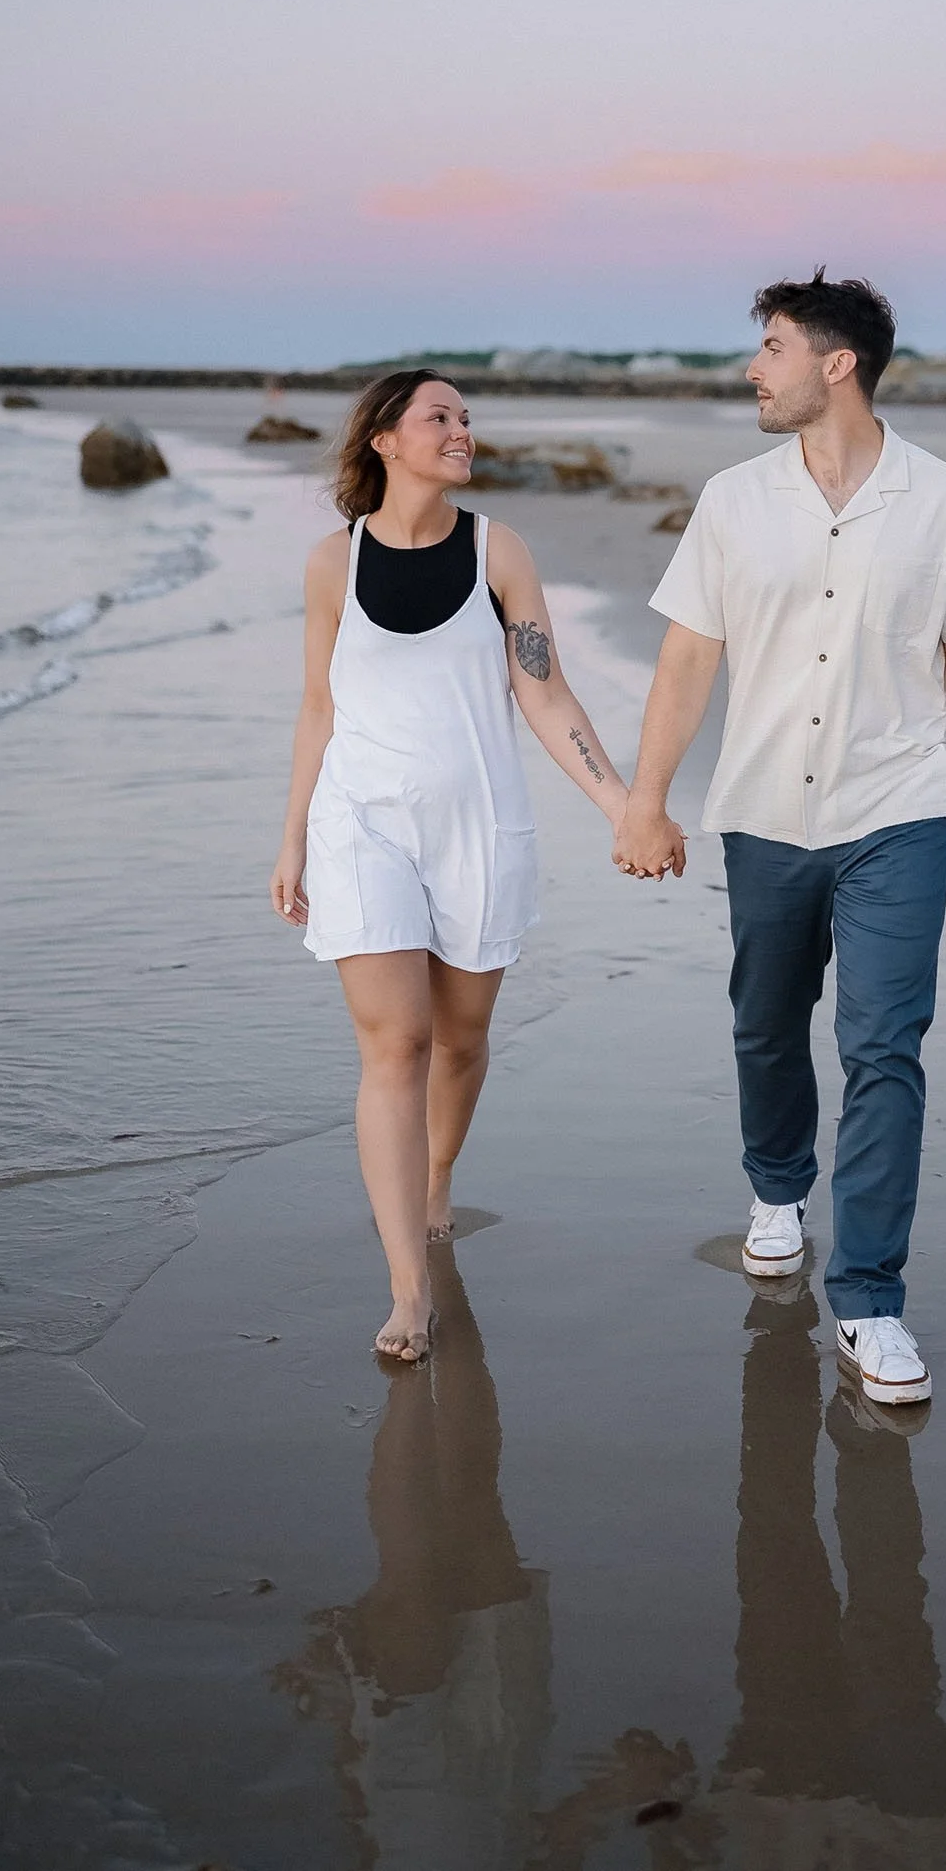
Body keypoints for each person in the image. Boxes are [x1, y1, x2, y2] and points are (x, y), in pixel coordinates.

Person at [613, 273, 946, 1406]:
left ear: (835, 363)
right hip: (763, 813)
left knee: (885, 1047)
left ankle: (873, 1301)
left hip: (899, 810)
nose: (754, 367)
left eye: (773, 346)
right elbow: (689, 658)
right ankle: (776, 1186)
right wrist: (645, 800)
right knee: (765, 1023)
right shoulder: (731, 500)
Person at [271, 369, 630, 1362]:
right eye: (440, 417)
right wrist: (294, 832)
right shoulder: (329, 565)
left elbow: (546, 694)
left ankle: (436, 1181)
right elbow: (317, 706)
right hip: (363, 828)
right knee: (397, 1045)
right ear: (384, 438)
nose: (461, 430)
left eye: (466, 418)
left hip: (479, 828)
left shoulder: (496, 550)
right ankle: (406, 1290)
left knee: (461, 1043)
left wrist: (620, 802)